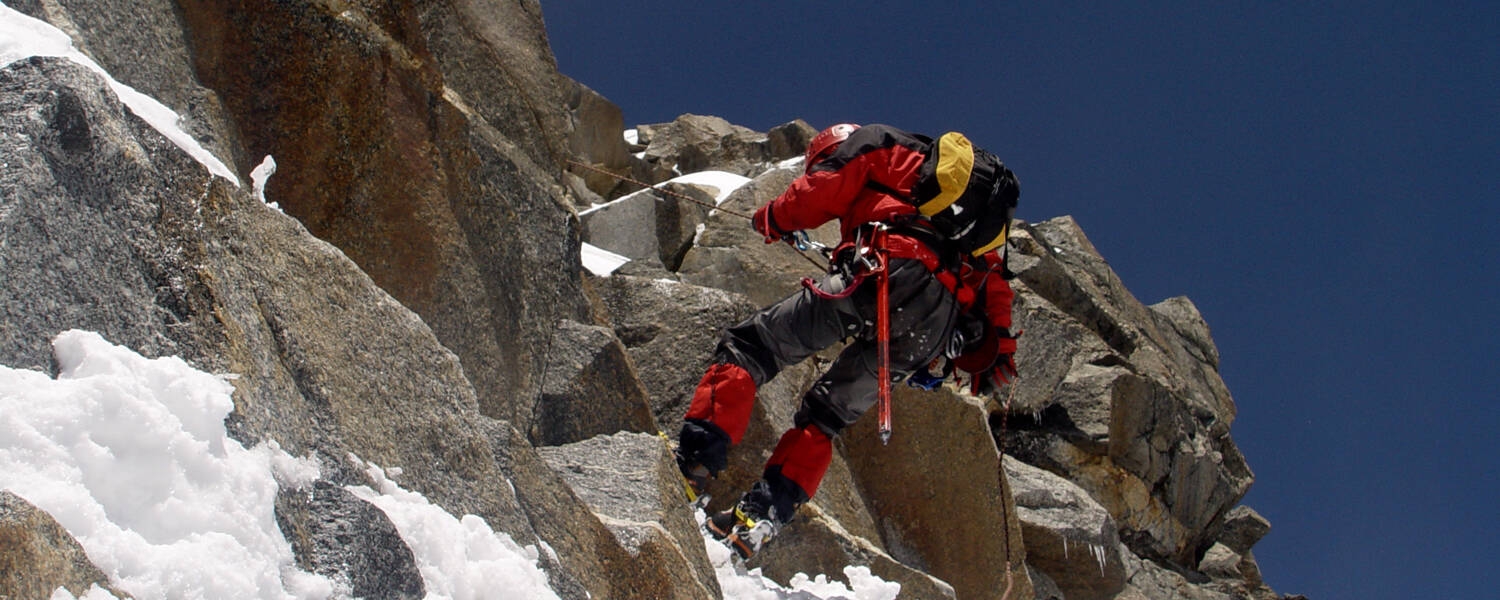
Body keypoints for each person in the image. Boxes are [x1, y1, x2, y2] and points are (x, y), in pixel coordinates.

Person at [673, 123, 1020, 559]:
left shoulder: (880, 145)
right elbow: (993, 280)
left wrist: (776, 216)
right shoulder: (955, 206)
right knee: (825, 417)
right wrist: (997, 349)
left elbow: (824, 188)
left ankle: (693, 464)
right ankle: (759, 517)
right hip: (933, 326)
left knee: (751, 348)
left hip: (885, 271)